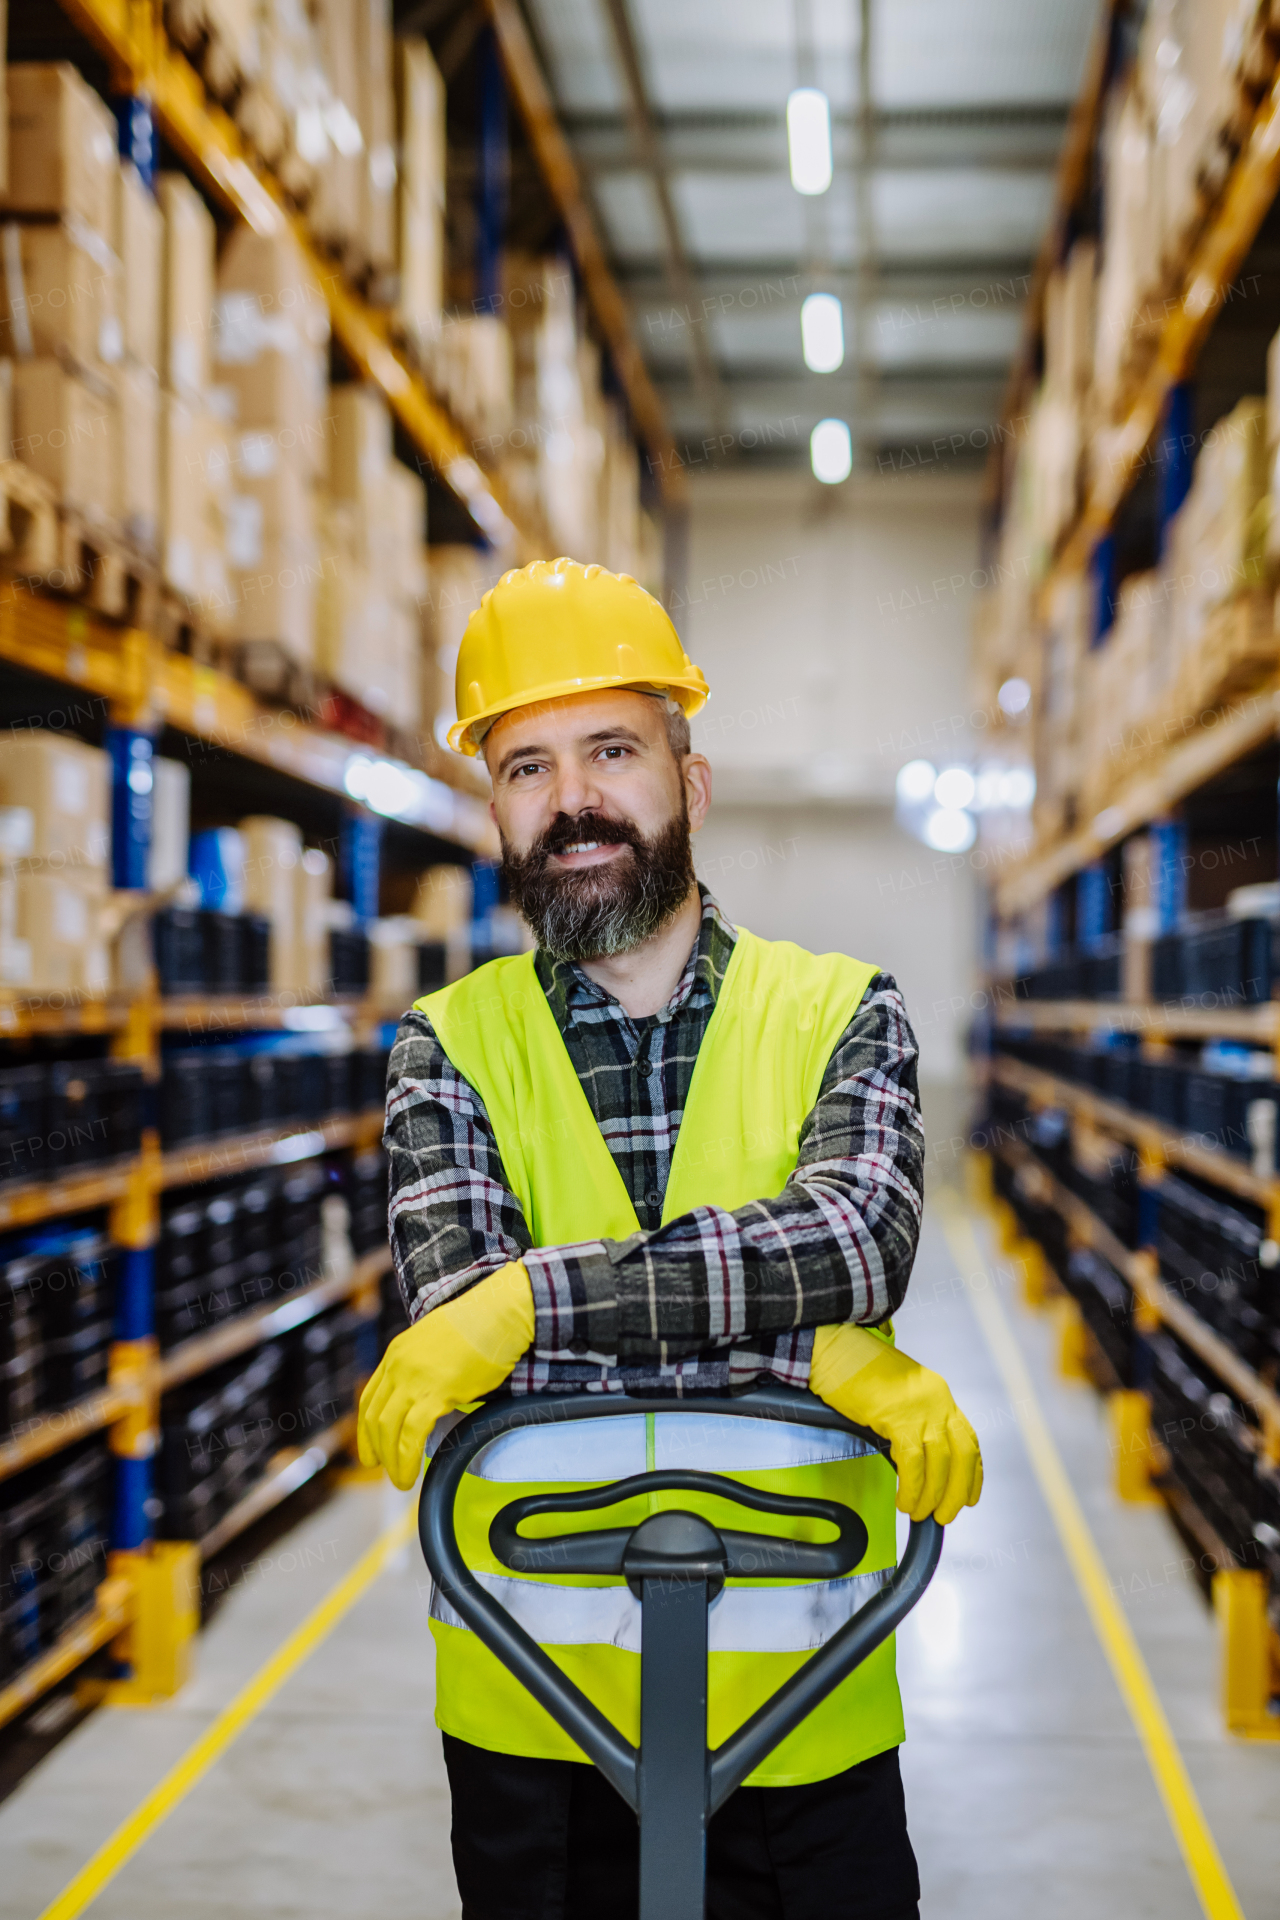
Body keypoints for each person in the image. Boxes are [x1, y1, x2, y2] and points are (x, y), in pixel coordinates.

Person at [357, 557, 982, 1920]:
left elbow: (858, 1245)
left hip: (807, 1690)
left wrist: (528, 1307)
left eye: (613, 750)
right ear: (498, 814)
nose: (572, 798)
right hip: (535, 1703)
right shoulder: (443, 1048)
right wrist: (809, 1356)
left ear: (689, 786)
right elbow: (462, 1330)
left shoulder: (843, 1013)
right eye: (526, 766)